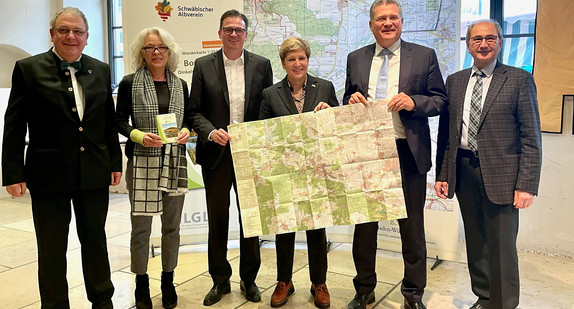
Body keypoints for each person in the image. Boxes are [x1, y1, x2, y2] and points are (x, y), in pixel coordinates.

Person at [1, 7, 122, 308]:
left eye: (77, 31)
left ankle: (102, 301)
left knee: (96, 242)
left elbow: (107, 121)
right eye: (64, 30)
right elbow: (14, 124)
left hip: (94, 170)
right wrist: (13, 173)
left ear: (87, 37)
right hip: (48, 174)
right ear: (52, 34)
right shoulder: (29, 69)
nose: (71, 36)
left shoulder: (101, 69)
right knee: (52, 249)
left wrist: (115, 163)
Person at [343, 1, 447, 308]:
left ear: (401, 22)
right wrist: (350, 99)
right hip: (368, 153)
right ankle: (364, 290)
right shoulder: (355, 58)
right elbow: (346, 95)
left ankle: (413, 295)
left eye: (393, 18)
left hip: (408, 153)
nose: (388, 23)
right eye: (381, 18)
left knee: (412, 229)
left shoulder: (424, 55)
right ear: (372, 24)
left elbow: (440, 100)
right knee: (365, 227)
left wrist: (415, 103)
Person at [435, 19, 542, 309]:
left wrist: (526, 185)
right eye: (477, 39)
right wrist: (443, 174)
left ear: (500, 41)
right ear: (468, 44)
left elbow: (531, 137)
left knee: (502, 246)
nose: (483, 44)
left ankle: (504, 304)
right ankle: (484, 298)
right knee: (476, 241)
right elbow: (447, 134)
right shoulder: (455, 82)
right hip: (464, 171)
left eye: (490, 38)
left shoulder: (519, 79)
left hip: (504, 178)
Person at [190, 9, 273, 306]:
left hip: (250, 155)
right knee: (218, 219)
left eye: (239, 29)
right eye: (228, 29)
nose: (234, 34)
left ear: (246, 34)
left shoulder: (262, 66)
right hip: (216, 154)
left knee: (251, 219)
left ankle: (249, 279)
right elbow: (194, 112)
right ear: (220, 33)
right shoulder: (202, 65)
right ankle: (220, 280)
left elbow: (268, 110)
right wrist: (211, 132)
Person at [259, 37, 338, 309]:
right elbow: (262, 132)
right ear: (283, 63)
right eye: (291, 59)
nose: (297, 63)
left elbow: (338, 126)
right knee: (285, 229)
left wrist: (330, 113)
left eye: (301, 58)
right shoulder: (270, 93)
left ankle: (319, 283)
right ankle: (284, 281)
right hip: (285, 171)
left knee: (317, 228)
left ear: (308, 60)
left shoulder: (325, 88)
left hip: (316, 170)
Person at [116, 27, 191, 309]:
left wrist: (185, 131)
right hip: (142, 162)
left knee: (172, 227)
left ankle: (168, 280)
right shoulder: (129, 82)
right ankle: (141, 283)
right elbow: (119, 120)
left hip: (174, 162)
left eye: (161, 47)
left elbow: (190, 120)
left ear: (169, 52)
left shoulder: (180, 84)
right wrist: (138, 136)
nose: (156, 52)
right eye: (149, 48)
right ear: (141, 53)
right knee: (141, 229)